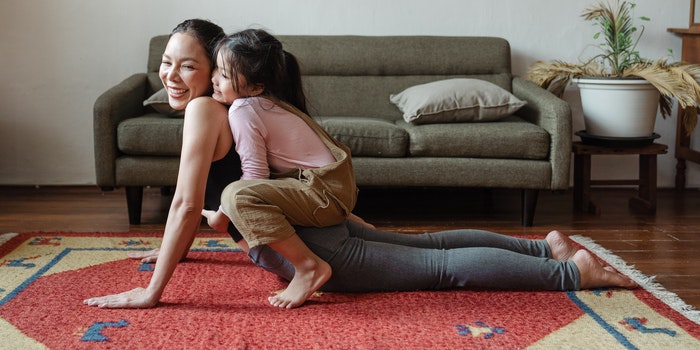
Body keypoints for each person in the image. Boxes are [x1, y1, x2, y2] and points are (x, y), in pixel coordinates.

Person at [83, 20, 636, 311]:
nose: (172, 76)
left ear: (217, 70)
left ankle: (570, 272)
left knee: (441, 270)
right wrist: (178, 244)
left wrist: (152, 290)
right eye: (165, 64)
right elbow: (232, 196)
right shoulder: (245, 107)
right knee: (434, 247)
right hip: (315, 222)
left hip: (312, 246)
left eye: (188, 65)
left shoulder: (209, 109)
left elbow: (188, 202)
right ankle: (547, 247)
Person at [202, 29, 361, 309]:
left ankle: (308, 267)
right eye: (216, 69)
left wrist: (221, 216)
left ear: (255, 87)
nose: (214, 79)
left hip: (324, 195)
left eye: (225, 76)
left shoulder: (243, 109)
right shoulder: (265, 103)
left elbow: (254, 176)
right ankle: (352, 221)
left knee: (236, 195)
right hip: (333, 190)